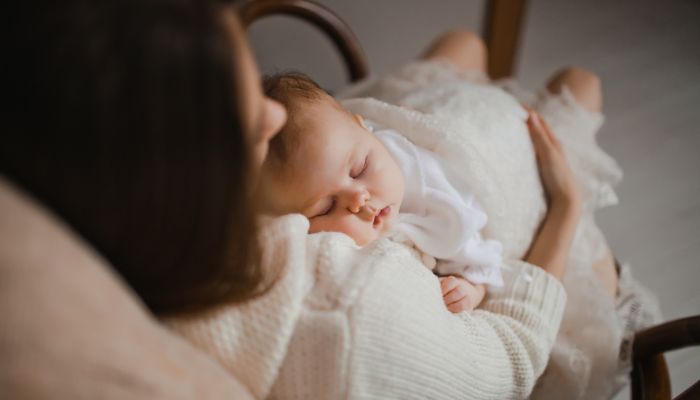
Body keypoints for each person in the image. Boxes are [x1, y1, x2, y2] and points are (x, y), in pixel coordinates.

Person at [2, 0, 643, 398]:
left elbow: (331, 137)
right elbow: (515, 354)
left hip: (394, 133)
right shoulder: (348, 316)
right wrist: (565, 205)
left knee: (462, 46)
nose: (272, 118)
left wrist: (360, 144)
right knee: (576, 90)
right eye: (247, 122)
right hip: (515, 221)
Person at [257, 72, 506, 313]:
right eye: (326, 208)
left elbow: (482, 258)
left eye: (359, 170)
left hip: (481, 120)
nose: (358, 199)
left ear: (364, 127)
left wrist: (473, 289)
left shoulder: (435, 192)